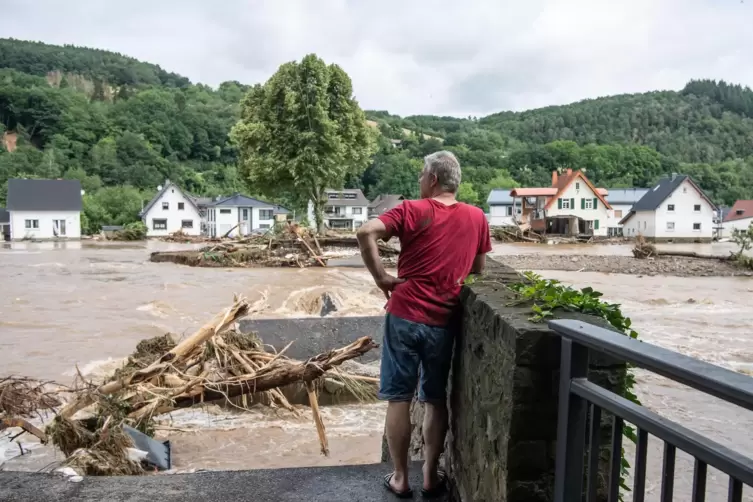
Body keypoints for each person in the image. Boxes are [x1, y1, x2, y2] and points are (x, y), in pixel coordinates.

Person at [356, 150, 492, 498]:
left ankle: (401, 478)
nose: (418, 181)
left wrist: (382, 278)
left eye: (421, 175)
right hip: (444, 319)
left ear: (432, 179)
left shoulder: (410, 210)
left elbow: (365, 232)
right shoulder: (477, 217)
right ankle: (431, 476)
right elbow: (478, 271)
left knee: (398, 398)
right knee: (434, 398)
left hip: (404, 315)